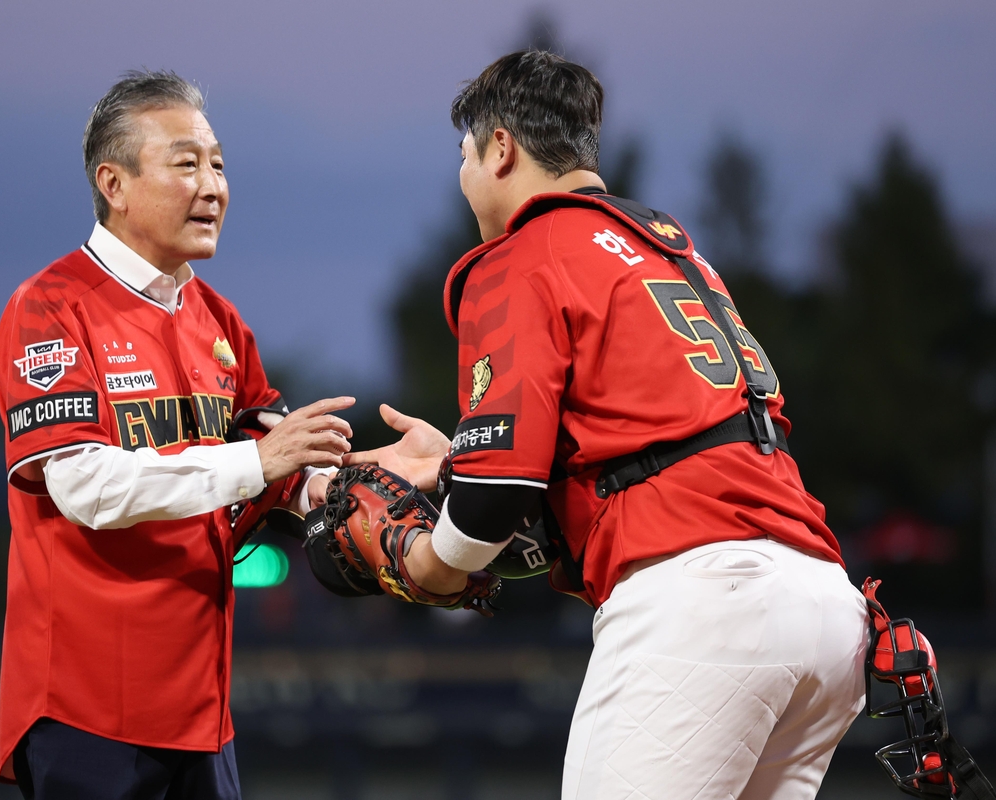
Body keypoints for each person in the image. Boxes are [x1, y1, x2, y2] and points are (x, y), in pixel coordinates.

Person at [349, 51, 868, 800]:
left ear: (501, 149)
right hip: (822, 600)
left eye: (464, 154)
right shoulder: (671, 250)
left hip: (701, 597)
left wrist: (433, 559)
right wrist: (462, 457)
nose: (462, 177)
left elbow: (505, 489)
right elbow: (633, 439)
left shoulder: (526, 251)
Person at [0, 69, 351, 799]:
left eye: (218, 163)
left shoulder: (221, 321)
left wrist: (382, 474)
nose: (213, 185)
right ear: (113, 184)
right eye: (186, 163)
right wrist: (256, 460)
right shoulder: (50, 308)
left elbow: (284, 469)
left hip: (204, 716)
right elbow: (85, 487)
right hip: (85, 712)